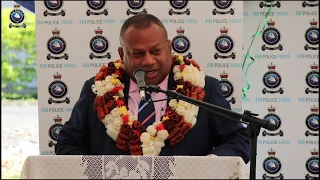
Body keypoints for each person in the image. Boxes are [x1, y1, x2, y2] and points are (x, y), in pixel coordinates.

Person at [55, 13, 250, 164]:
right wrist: (94, 170)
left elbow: (239, 139)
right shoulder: (96, 91)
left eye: (156, 51)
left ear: (169, 47)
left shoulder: (204, 89)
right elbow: (68, 144)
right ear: (122, 54)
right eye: (138, 53)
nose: (148, 61)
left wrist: (211, 163)